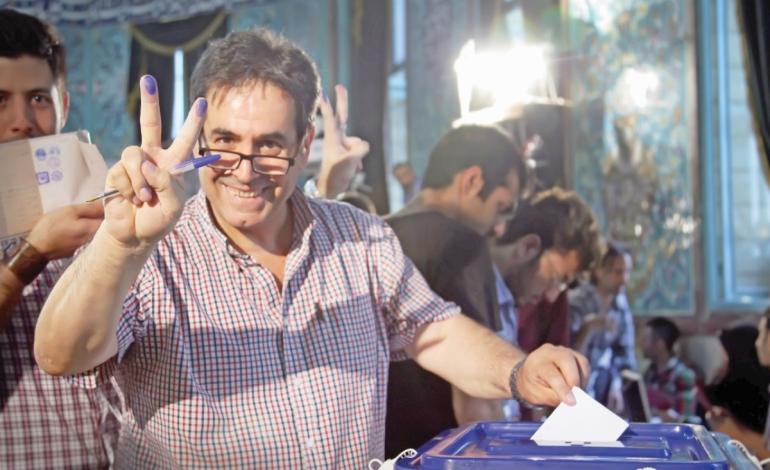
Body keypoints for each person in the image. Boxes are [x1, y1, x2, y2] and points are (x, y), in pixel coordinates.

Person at [34, 29, 588, 468]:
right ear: (199, 140)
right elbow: (61, 355)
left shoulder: (358, 237)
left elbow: (434, 330)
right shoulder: (154, 251)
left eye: (269, 146)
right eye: (224, 143)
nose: (244, 171)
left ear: (304, 146)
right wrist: (120, 242)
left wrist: (519, 371)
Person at [0, 9, 117, 468]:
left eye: (38, 99)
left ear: (64, 106)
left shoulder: (101, 208)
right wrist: (32, 255)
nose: (22, 121)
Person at [385, 124, 527, 453]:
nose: (499, 228)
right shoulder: (461, 244)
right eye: (501, 207)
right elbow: (476, 404)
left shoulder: (375, 236)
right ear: (472, 180)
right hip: (442, 454)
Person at [490, 187, 601, 352]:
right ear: (529, 247)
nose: (552, 296)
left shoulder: (509, 307)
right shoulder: (468, 289)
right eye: (555, 278)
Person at [569, 242, 637, 410]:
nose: (624, 279)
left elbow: (625, 356)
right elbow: (567, 352)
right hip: (573, 391)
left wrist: (616, 384)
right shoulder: (577, 301)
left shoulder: (621, 305)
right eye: (618, 272)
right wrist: (588, 327)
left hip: (604, 391)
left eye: (627, 272)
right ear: (599, 271)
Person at [641, 317, 697, 422]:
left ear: (660, 344)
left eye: (645, 340)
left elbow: (688, 420)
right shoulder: (649, 372)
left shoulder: (684, 375)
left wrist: (661, 415)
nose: (642, 344)